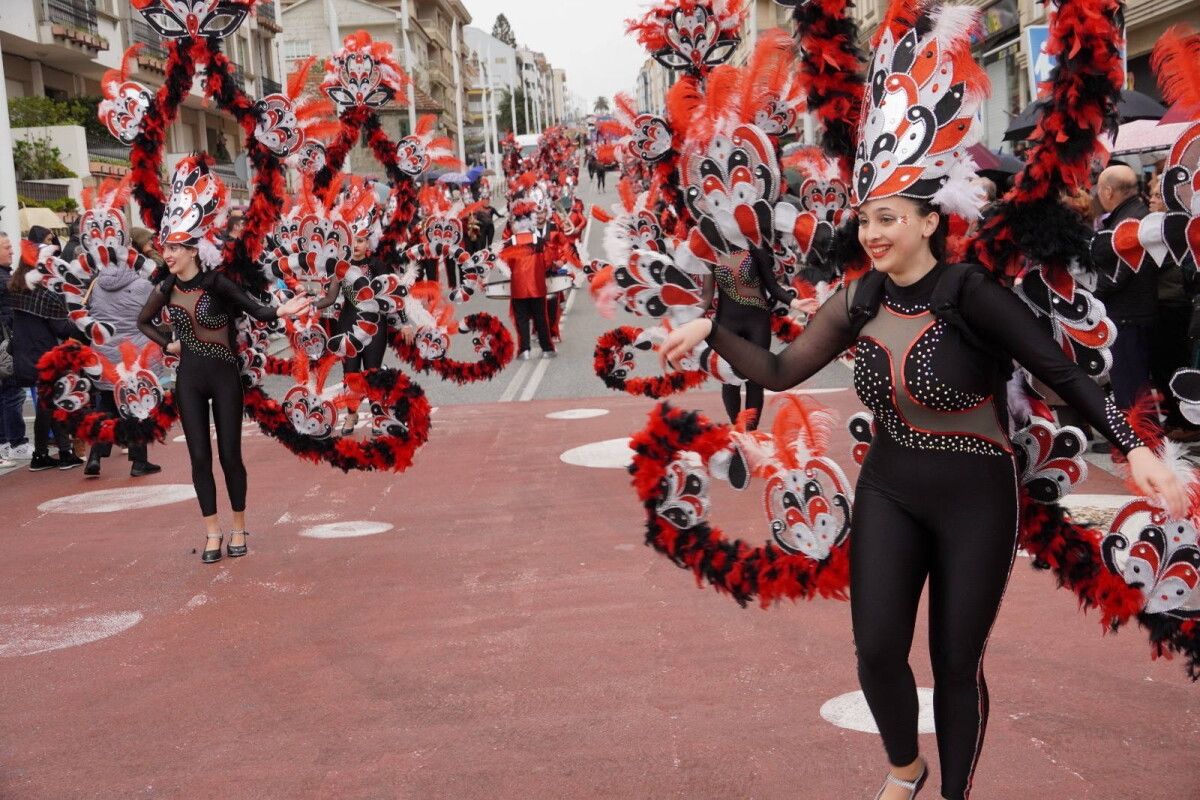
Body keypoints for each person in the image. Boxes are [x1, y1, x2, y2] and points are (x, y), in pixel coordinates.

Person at [661, 5, 1188, 799]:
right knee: (876, 650)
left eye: (887, 219)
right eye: (866, 217)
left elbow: (1066, 374)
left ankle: (951, 795)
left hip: (977, 493)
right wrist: (712, 326)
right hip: (892, 487)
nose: (870, 233)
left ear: (929, 222)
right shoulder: (862, 297)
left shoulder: (970, 292)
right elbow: (777, 372)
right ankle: (904, 768)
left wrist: (1135, 447)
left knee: (953, 663)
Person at [137, 158, 310, 563]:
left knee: (230, 454)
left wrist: (285, 311)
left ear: (193, 249)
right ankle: (212, 533)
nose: (169, 254)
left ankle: (238, 527)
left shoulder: (216, 282)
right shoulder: (165, 286)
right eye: (166, 248)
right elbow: (143, 321)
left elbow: (258, 310)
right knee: (199, 457)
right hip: (190, 380)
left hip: (225, 376)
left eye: (175, 248)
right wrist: (170, 344)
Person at [83, 258, 163, 477]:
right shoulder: (142, 285)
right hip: (133, 353)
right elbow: (154, 316)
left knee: (107, 403)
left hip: (104, 353)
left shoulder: (98, 283)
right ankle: (139, 461)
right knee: (137, 403)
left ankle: (95, 456)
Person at [8, 242, 84, 471]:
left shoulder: (17, 287)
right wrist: (79, 320)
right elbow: (62, 328)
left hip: (25, 354)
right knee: (54, 402)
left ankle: (41, 454)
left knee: (45, 403)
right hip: (46, 355)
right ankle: (64, 452)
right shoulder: (45, 294)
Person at [1092, 164, 1156, 417]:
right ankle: (1139, 440)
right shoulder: (1133, 213)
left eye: (1098, 191)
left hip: (1129, 313)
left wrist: (1092, 297)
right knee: (1133, 385)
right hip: (1135, 311)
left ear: (1108, 191)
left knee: (1130, 387)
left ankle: (1137, 443)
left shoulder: (1129, 221)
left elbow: (1119, 273)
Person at [500, 200, 556, 360]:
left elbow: (504, 265)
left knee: (522, 320)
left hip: (518, 288)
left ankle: (524, 350)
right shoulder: (539, 241)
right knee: (541, 318)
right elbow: (548, 262)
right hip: (537, 286)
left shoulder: (510, 242)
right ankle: (547, 349)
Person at [0, 232, 32, 465]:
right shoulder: (4, 280)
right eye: (6, 247)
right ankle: (16, 443)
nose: (11, 251)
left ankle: (6, 443)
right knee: (12, 392)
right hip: (6, 345)